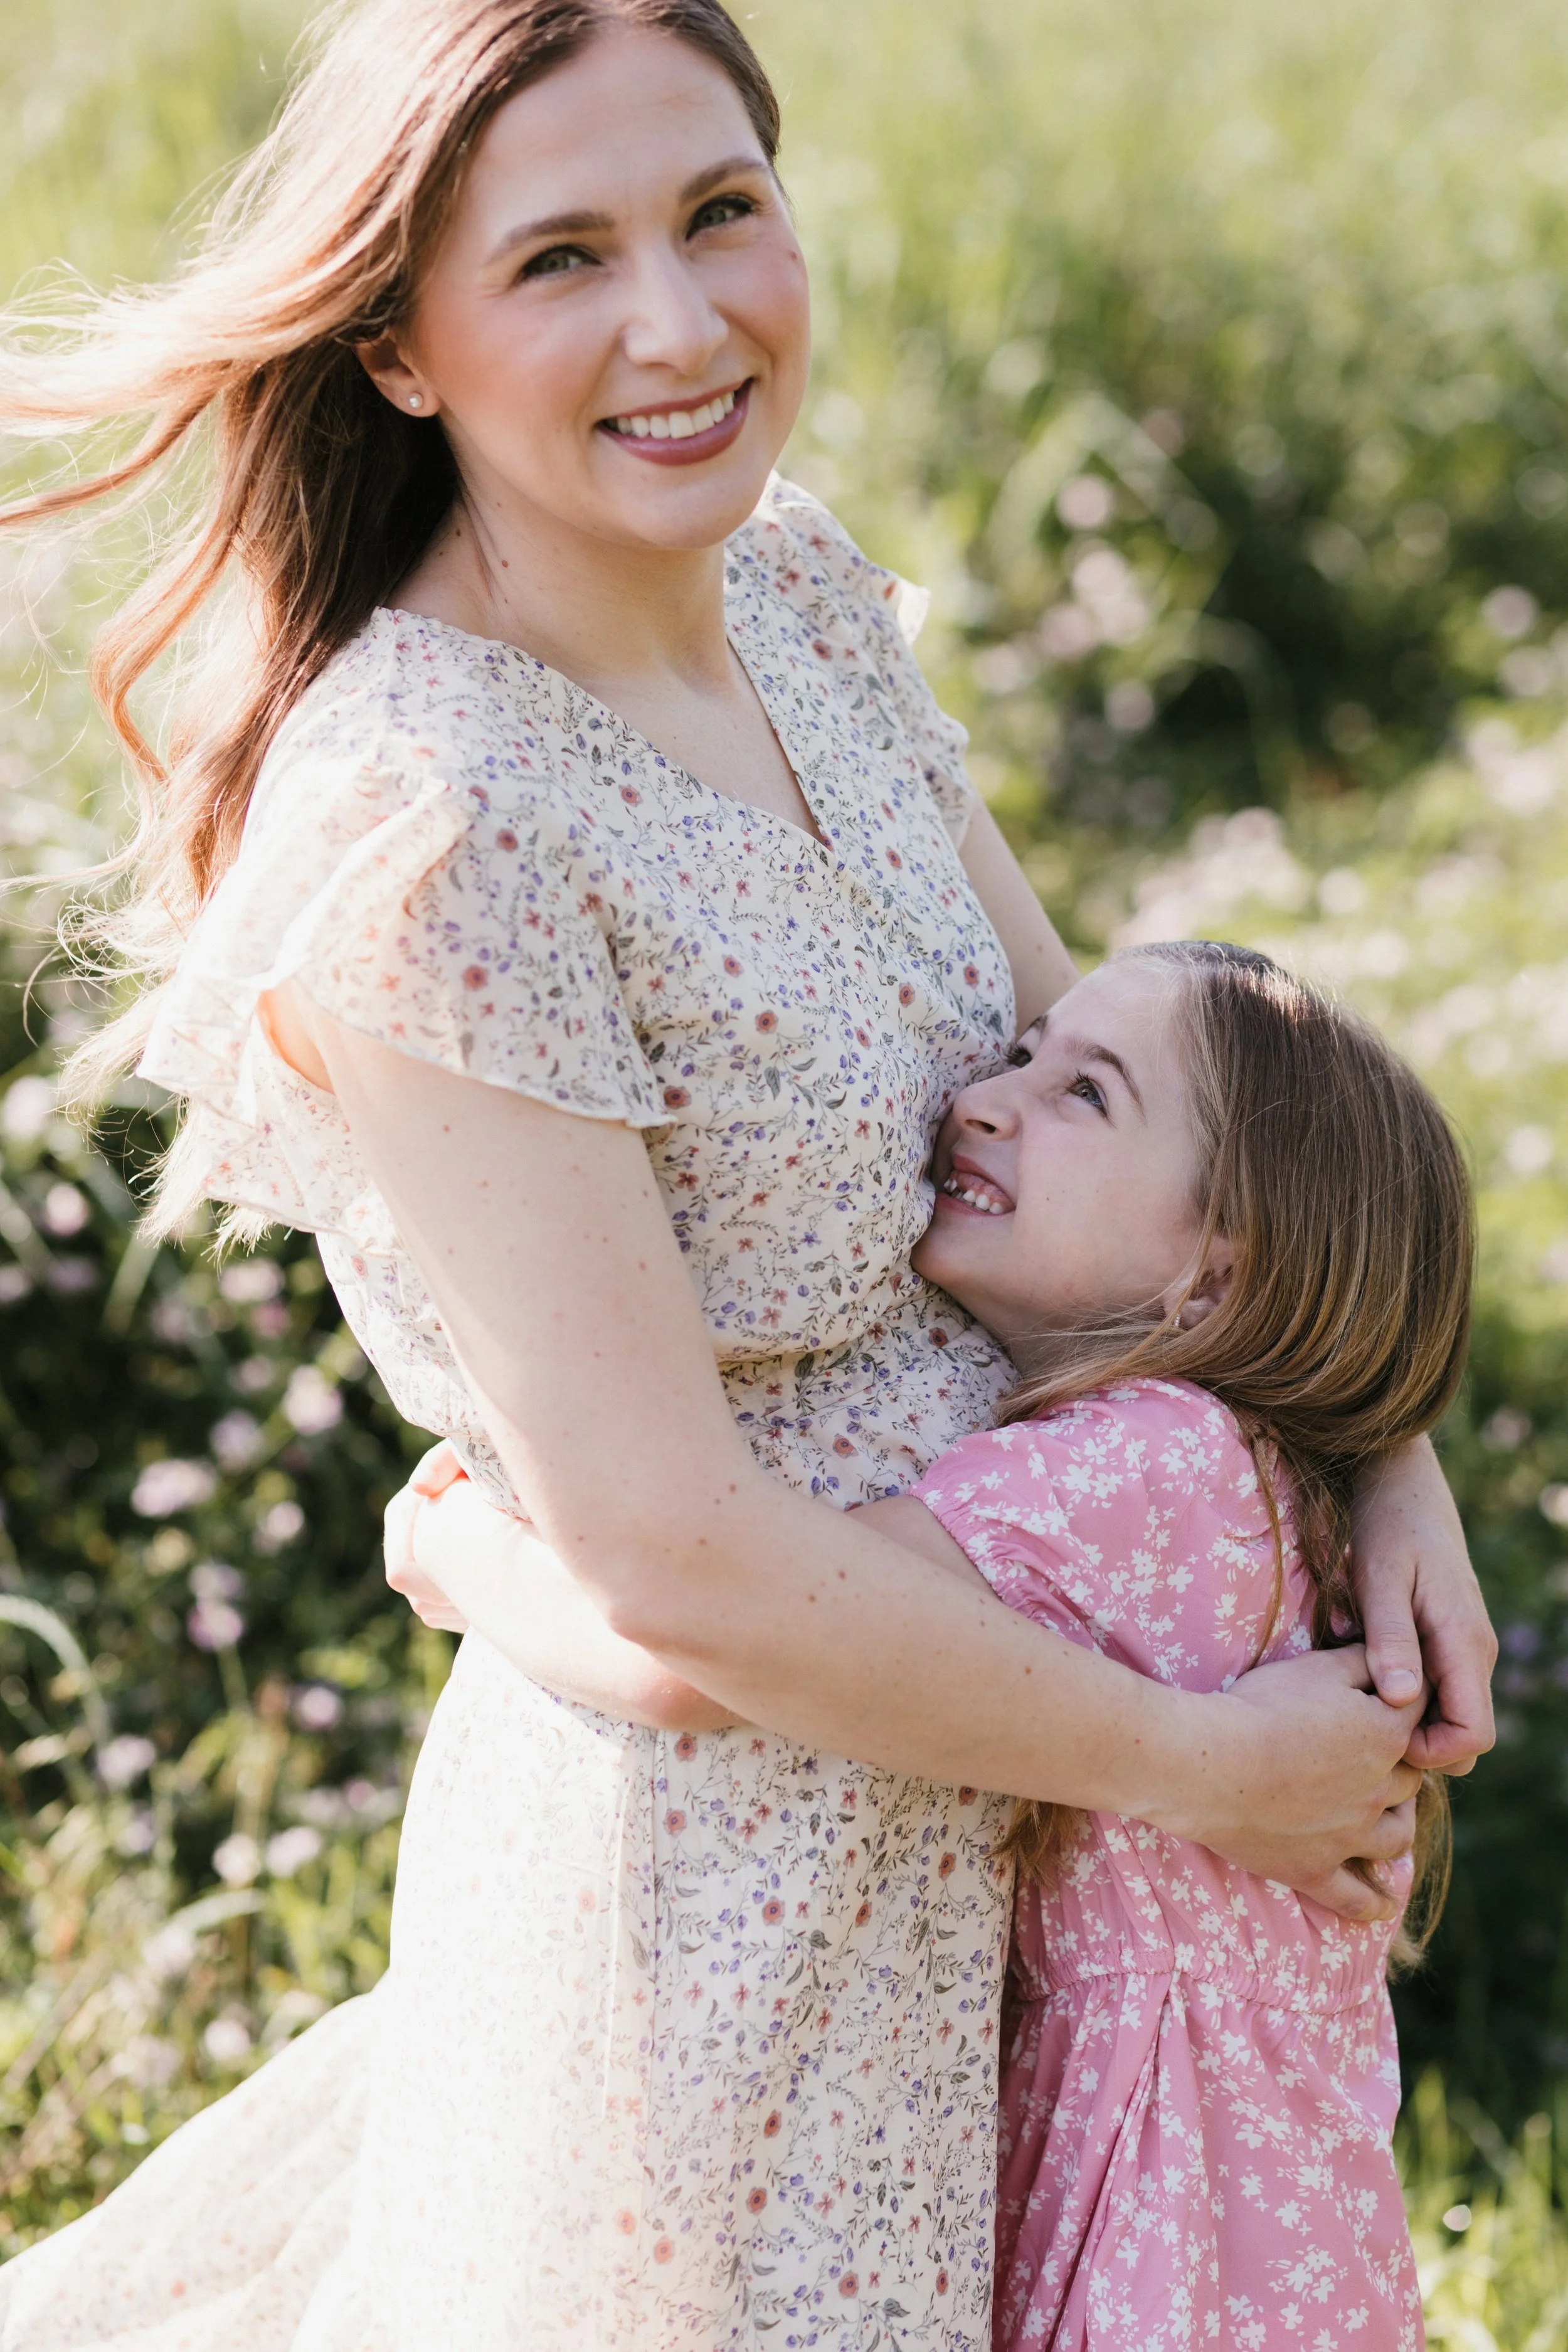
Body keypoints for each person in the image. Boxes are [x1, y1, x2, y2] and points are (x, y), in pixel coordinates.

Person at [0, 3, 1492, 2345]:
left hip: (1059, 1898)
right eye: (560, 259)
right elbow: (673, 1550)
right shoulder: (437, 825)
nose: (682, 326)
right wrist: (1201, 1761)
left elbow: (1138, 1083)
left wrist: (1378, 1454)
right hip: (741, 1938)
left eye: (718, 212)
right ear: (395, 345)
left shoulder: (792, 591)